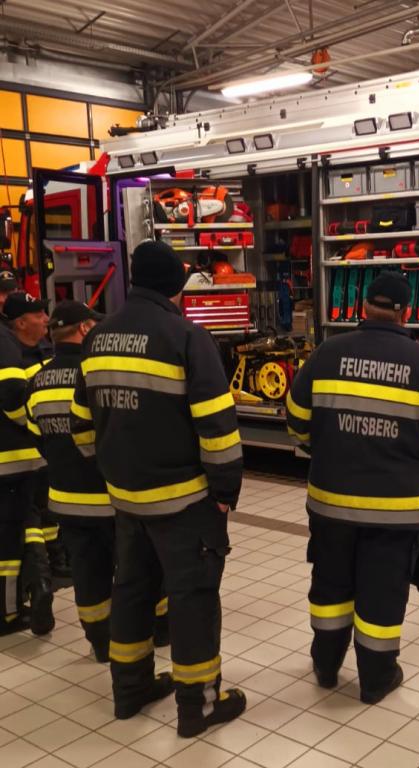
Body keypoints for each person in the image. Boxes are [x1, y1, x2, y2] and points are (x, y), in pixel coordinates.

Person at [71, 240, 246, 737]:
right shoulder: (187, 337)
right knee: (192, 598)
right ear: (176, 286)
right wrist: (225, 493)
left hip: (127, 500)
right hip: (185, 501)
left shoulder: (97, 337)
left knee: (132, 590)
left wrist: (115, 472)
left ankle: (129, 690)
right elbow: (218, 428)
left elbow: (81, 426)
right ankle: (199, 705)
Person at [287, 271, 419, 705]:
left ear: (363, 306)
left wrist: (323, 449)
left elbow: (295, 421)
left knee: (330, 588)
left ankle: (326, 666)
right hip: (396, 511)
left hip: (331, 504)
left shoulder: (327, 354)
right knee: (382, 594)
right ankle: (375, 679)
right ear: (406, 313)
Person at [26, 300, 115, 660]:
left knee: (87, 575)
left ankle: (100, 642)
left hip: (66, 500)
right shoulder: (97, 374)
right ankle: (147, 635)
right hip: (109, 498)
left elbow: (37, 438)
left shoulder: (37, 380)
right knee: (133, 571)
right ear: (83, 329)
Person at [3, 290, 55, 634]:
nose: (45, 319)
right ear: (21, 323)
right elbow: (12, 399)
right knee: (14, 532)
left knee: (28, 522)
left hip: (30, 460)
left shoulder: (36, 350)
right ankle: (15, 606)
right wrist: (39, 425)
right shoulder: (7, 349)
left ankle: (38, 583)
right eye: (38, 314)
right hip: (14, 459)